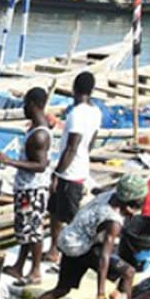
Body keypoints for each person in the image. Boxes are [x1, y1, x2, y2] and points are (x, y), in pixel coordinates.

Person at [6, 173, 145, 299]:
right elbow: (104, 258)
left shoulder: (111, 195)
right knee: (128, 272)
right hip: (79, 249)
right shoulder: (113, 222)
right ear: (129, 204)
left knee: (61, 289)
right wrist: (100, 295)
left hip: (70, 239)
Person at [46, 72, 102, 265]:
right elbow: (91, 143)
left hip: (70, 173)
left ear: (74, 89)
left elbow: (72, 147)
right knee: (54, 212)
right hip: (78, 167)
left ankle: (70, 256)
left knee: (68, 217)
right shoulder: (96, 112)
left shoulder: (77, 114)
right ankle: (54, 250)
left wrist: (57, 173)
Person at [0, 87, 53, 283]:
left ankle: (35, 270)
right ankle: (19, 266)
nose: (23, 108)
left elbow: (39, 165)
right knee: (25, 230)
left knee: (34, 230)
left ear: (32, 104)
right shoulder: (34, 129)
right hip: (25, 187)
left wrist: (10, 162)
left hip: (33, 189)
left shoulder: (40, 135)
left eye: (25, 104)